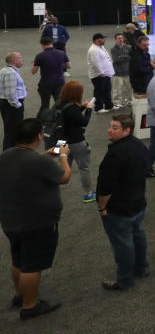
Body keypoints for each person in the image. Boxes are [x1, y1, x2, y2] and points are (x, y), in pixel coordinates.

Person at [0, 118, 71, 319]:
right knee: (32, 266)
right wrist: (63, 156)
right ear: (39, 136)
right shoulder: (37, 162)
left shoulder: (5, 156)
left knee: (18, 260)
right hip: (36, 223)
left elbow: (24, 167)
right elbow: (64, 177)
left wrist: (44, 156)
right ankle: (30, 306)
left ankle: (20, 295)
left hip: (10, 219)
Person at [96, 114, 150, 291]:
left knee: (122, 244)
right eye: (110, 126)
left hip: (119, 208)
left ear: (127, 130)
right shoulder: (140, 146)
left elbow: (105, 187)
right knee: (137, 234)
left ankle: (125, 280)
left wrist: (102, 206)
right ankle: (141, 268)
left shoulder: (115, 155)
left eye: (115, 127)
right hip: (138, 202)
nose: (109, 130)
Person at [56, 80, 95, 202]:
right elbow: (83, 122)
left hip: (61, 141)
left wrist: (82, 106)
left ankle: (54, 188)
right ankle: (89, 193)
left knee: (62, 164)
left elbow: (72, 116)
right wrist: (88, 109)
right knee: (84, 168)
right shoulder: (72, 108)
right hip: (76, 141)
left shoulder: (60, 104)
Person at [1, 52, 28, 150]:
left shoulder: (7, 70)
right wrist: (18, 105)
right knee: (13, 131)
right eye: (20, 58)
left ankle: (9, 153)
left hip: (9, 105)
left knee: (11, 130)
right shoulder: (10, 73)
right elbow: (10, 93)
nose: (23, 60)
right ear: (14, 61)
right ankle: (9, 154)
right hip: (12, 106)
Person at [87, 34, 115, 113]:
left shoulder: (101, 47)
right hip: (98, 75)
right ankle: (98, 108)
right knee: (99, 91)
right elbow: (95, 63)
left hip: (106, 73)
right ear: (96, 40)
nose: (104, 40)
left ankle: (109, 105)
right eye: (102, 39)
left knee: (107, 90)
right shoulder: (93, 50)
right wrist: (101, 72)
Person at [127, 35, 154, 101]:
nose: (146, 47)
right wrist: (152, 66)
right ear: (138, 44)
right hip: (140, 84)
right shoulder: (135, 55)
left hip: (147, 81)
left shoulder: (146, 53)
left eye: (147, 45)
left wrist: (151, 64)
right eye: (144, 45)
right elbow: (138, 70)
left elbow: (144, 65)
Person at [109, 34, 132, 108]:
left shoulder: (128, 47)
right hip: (118, 72)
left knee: (129, 88)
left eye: (122, 38)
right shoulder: (113, 49)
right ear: (115, 39)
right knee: (117, 89)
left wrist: (121, 56)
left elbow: (131, 57)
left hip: (128, 71)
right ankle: (117, 102)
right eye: (119, 38)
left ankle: (129, 101)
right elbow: (116, 60)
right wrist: (126, 56)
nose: (121, 39)